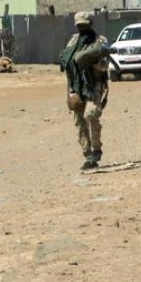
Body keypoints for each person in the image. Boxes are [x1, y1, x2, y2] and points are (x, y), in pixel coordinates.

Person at [59, 11, 114, 170]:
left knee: (91, 115)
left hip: (95, 85)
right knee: (79, 120)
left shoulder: (100, 41)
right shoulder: (73, 41)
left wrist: (91, 62)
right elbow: (68, 62)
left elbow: (105, 66)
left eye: (85, 25)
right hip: (77, 87)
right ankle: (88, 155)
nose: (82, 28)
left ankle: (97, 149)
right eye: (79, 25)